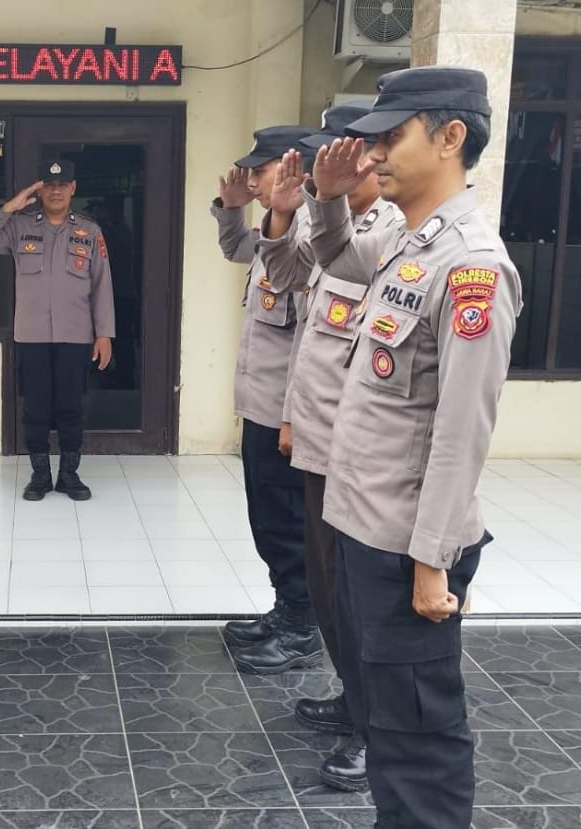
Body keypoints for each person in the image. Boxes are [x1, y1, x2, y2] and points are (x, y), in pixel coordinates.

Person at [304, 66, 521, 828]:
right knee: (384, 722)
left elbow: (463, 433)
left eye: (392, 137)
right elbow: (335, 259)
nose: (374, 154)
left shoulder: (471, 268)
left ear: (450, 136)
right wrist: (327, 197)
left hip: (407, 549)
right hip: (364, 526)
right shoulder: (406, 238)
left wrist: (432, 561)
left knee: (419, 738)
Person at [256, 104, 404, 793]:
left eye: (339, 157)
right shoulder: (338, 226)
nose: (326, 170)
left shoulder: (392, 232)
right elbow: (292, 287)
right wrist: (286, 213)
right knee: (330, 589)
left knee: (361, 599)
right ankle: (354, 699)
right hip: (320, 441)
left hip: (356, 450)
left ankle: (378, 732)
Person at [213, 125, 324, 675]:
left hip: (285, 413)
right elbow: (237, 248)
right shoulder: (279, 229)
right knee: (268, 518)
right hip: (260, 405)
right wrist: (232, 208)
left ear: (293, 169)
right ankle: (286, 610)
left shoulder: (315, 238)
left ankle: (303, 628)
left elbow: (310, 338)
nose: (252, 180)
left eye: (259, 171)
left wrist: (292, 418)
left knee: (287, 522)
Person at [0, 159, 115, 500]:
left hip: (75, 335)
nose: (56, 191)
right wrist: (8, 208)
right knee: (35, 407)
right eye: (50, 185)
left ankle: (69, 474)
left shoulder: (90, 231)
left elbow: (101, 284)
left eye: (63, 184)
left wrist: (104, 334)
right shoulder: (19, 226)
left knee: (70, 407)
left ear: (73, 188)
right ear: (40, 189)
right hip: (32, 336)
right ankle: (40, 475)